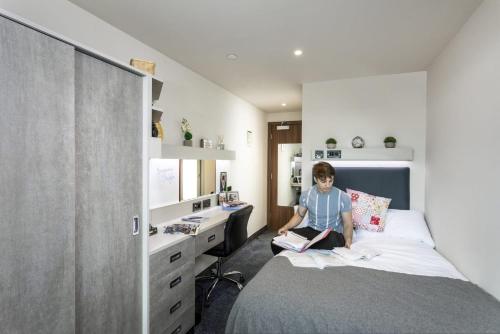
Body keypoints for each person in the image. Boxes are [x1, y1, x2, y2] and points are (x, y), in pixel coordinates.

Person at [271, 162, 353, 255]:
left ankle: (303, 245)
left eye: (330, 181)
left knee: (335, 240)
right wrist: (286, 227)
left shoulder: (343, 197)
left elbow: (348, 223)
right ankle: (305, 244)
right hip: (312, 231)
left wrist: (348, 240)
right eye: (323, 181)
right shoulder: (307, 194)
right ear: (315, 179)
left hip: (331, 233)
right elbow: (299, 215)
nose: (328, 185)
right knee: (276, 241)